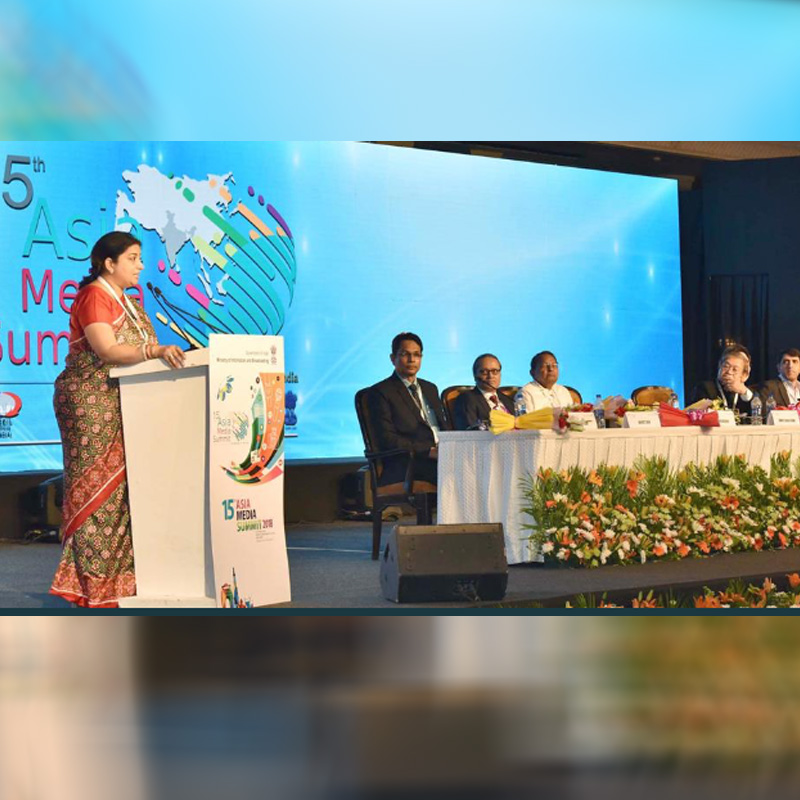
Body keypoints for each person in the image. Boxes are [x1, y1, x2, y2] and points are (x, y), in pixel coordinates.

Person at [50, 231, 186, 608]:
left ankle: (118, 584)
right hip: (89, 402)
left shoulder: (130, 302)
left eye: (140, 258)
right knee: (97, 493)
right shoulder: (94, 295)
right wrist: (153, 350)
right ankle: (90, 585)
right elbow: (107, 349)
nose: (141, 265)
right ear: (109, 264)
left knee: (125, 495)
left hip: (128, 401)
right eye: (132, 258)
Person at [368, 332, 448, 486]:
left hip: (442, 454)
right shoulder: (381, 392)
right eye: (405, 354)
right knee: (455, 473)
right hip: (408, 462)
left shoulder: (430, 388)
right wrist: (428, 451)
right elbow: (387, 438)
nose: (412, 360)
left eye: (416, 355)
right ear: (393, 358)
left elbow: (443, 427)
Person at [689, 344, 755, 418]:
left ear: (744, 375)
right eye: (726, 366)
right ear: (719, 366)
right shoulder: (704, 389)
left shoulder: (745, 394)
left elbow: (757, 413)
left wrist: (743, 391)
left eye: (735, 369)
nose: (729, 372)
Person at [452, 353, 514, 430]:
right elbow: (470, 431)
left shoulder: (508, 400)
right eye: (484, 372)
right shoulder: (466, 399)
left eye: (495, 371)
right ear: (475, 376)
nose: (490, 376)